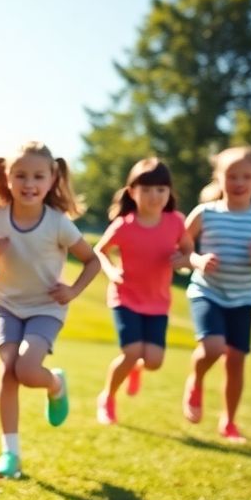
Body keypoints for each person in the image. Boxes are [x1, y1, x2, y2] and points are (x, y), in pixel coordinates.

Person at [0, 142, 98, 478]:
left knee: (27, 370)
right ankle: (10, 454)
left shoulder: (58, 224)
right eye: (21, 176)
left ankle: (55, 383)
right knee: (8, 369)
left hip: (45, 308)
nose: (29, 184)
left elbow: (92, 260)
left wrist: (72, 290)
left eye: (38, 176)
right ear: (6, 178)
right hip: (5, 305)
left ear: (52, 178)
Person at [181, 146, 251, 443]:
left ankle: (229, 421)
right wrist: (198, 260)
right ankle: (196, 379)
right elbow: (181, 249)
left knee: (236, 360)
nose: (239, 182)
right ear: (218, 178)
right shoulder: (205, 213)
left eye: (246, 176)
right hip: (207, 291)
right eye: (231, 176)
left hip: (243, 298)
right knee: (213, 348)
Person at [92, 157, 191, 425]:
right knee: (132, 351)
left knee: (154, 361)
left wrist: (183, 260)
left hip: (158, 302)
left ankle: (135, 369)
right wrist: (112, 272)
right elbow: (99, 251)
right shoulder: (125, 225)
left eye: (160, 189)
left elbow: (188, 250)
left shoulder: (176, 222)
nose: (153, 196)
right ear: (132, 192)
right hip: (125, 298)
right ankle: (108, 397)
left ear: (169, 192)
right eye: (146, 189)